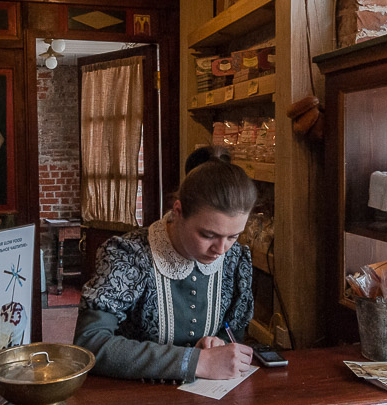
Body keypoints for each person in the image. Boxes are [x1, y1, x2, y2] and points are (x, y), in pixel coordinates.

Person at [74, 146, 256, 382]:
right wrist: (195, 361)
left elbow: (233, 333)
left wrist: (218, 344)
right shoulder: (130, 256)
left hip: (207, 401)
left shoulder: (236, 260)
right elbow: (90, 344)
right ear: (178, 211)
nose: (221, 250)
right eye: (208, 235)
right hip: (131, 400)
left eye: (233, 236)